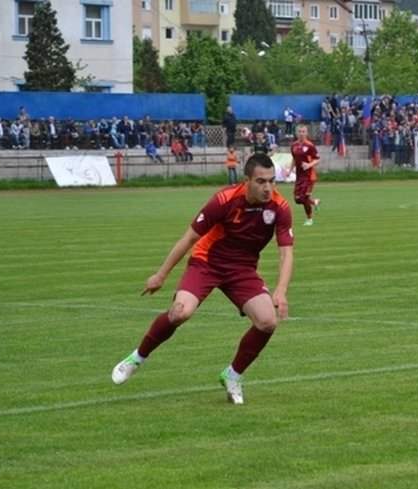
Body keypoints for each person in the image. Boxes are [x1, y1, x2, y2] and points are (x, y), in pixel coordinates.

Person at [111, 153, 294, 405]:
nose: (268, 188)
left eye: (272, 181)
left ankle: (233, 375)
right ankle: (136, 358)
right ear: (246, 180)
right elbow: (189, 238)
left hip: (242, 270)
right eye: (261, 182)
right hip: (207, 262)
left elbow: (286, 252)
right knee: (180, 313)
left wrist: (281, 290)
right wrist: (161, 274)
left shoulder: (279, 207)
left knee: (267, 322)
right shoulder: (224, 199)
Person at [288, 123, 321, 226]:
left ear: (306, 133)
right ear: (296, 133)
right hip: (299, 176)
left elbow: (318, 159)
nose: (301, 134)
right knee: (297, 199)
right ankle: (314, 202)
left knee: (303, 198)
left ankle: (309, 219)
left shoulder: (310, 146)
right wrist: (290, 169)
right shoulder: (293, 145)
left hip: (309, 176)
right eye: (299, 132)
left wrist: (309, 165)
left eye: (303, 132)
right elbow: (294, 158)